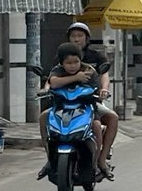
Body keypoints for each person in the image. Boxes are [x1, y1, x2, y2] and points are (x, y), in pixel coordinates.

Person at [51, 18, 119, 176]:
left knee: (109, 119)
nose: (76, 39)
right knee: (45, 119)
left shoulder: (95, 57)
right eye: (73, 36)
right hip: (64, 103)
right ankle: (50, 159)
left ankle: (101, 160)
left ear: (87, 38)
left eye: (79, 35)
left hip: (88, 102)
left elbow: (104, 76)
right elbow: (51, 78)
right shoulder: (60, 57)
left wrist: (103, 90)